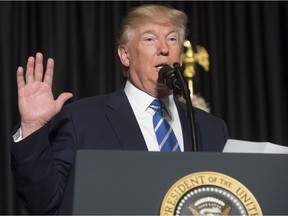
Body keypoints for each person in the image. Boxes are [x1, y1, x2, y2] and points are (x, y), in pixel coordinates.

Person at [11, 4, 229, 214]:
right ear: (125, 55)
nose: (164, 49)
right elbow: (45, 204)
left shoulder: (212, 128)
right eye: (150, 39)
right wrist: (32, 128)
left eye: (172, 39)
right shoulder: (81, 120)